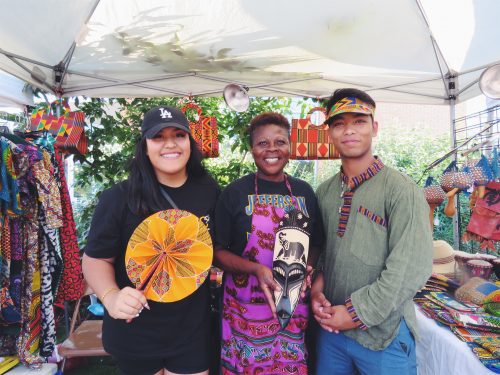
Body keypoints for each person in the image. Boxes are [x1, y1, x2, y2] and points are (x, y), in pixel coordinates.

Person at [82, 106, 220, 375]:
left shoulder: (210, 191)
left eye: (179, 135)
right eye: (158, 137)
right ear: (145, 147)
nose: (170, 144)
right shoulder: (119, 197)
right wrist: (111, 297)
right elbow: (95, 259)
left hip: (192, 330)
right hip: (135, 332)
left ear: (190, 143)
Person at [311, 88, 433, 375]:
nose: (349, 131)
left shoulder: (401, 190)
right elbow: (325, 254)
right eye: (339, 124)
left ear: (374, 128)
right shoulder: (325, 192)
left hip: (383, 336)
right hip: (333, 332)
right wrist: (317, 290)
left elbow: (410, 269)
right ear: (330, 133)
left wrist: (354, 314)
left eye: (359, 121)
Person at [214, 112, 323, 375]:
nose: (272, 149)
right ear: (252, 149)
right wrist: (255, 269)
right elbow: (216, 253)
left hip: (291, 303)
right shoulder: (235, 193)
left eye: (280, 142)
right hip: (244, 306)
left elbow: (316, 243)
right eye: (263, 143)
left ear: (289, 147)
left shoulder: (304, 191)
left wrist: (306, 267)